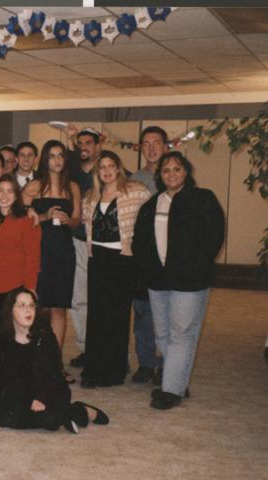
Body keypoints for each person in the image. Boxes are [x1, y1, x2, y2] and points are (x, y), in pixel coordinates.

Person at [132, 152, 225, 410]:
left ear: (186, 172)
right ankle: (178, 379)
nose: (172, 174)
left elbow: (214, 236)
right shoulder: (152, 204)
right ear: (159, 175)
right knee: (163, 335)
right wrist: (148, 270)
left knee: (181, 334)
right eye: (166, 170)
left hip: (190, 282)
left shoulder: (203, 199)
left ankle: (171, 390)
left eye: (177, 169)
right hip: (158, 281)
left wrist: (197, 266)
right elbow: (140, 242)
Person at [0, 288, 109, 433]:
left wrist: (40, 399)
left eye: (31, 306)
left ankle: (70, 413)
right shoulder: (1, 339)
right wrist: (29, 401)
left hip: (48, 391)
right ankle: (72, 414)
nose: (28, 310)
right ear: (10, 310)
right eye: (22, 306)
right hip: (18, 394)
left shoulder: (45, 336)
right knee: (5, 417)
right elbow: (3, 379)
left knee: (49, 410)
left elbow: (53, 375)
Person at [80, 151, 150, 389]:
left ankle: (114, 371)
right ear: (97, 172)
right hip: (97, 258)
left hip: (122, 260)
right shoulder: (90, 197)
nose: (107, 171)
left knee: (117, 316)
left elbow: (149, 221)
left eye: (111, 166)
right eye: (102, 167)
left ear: (119, 168)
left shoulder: (136, 191)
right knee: (97, 316)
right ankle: (93, 369)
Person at [0, 174, 41, 407]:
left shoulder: (27, 219)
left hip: (16, 288)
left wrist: (30, 290)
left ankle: (19, 389)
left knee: (15, 339)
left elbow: (33, 258)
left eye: (10, 191)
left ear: (16, 195)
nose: (4, 195)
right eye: (0, 191)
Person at [22, 140, 80, 382]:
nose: (57, 160)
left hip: (64, 251)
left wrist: (69, 221)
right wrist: (45, 216)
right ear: (44, 160)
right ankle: (35, 359)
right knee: (39, 306)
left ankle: (55, 363)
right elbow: (21, 219)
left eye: (61, 156)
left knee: (59, 307)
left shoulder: (73, 187)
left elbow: (78, 221)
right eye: (52, 156)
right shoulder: (34, 186)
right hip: (39, 250)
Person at [130, 126, 169, 384]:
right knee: (143, 312)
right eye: (146, 143)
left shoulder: (175, 176)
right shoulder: (134, 179)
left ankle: (167, 365)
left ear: (166, 146)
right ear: (141, 148)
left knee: (167, 314)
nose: (152, 147)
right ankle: (146, 363)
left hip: (169, 258)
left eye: (156, 142)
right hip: (142, 257)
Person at [67, 128, 103, 369]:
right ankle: (85, 347)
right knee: (78, 298)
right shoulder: (72, 173)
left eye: (88, 143)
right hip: (78, 241)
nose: (84, 148)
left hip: (104, 246)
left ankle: (103, 349)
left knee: (102, 299)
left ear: (98, 146)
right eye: (79, 144)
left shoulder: (110, 169)